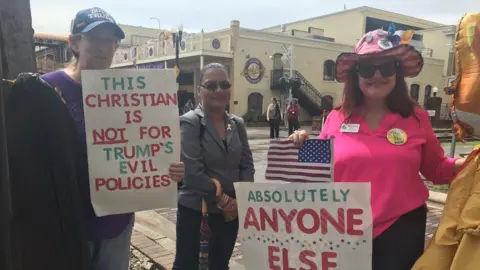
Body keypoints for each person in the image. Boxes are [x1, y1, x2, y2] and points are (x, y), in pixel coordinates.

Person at [289, 27, 466, 270]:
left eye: (386, 67)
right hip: (343, 226)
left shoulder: (416, 118)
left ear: (397, 73)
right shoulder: (336, 118)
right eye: (368, 68)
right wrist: (301, 143)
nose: (377, 75)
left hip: (401, 230)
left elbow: (436, 168)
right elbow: (320, 170)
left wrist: (469, 163)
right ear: (356, 75)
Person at [38, 7, 184, 270]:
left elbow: (147, 147)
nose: (103, 47)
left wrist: (169, 169)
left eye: (111, 40)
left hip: (116, 226)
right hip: (65, 226)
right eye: (94, 38)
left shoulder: (133, 92)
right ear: (74, 43)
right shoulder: (48, 88)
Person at [173, 63, 255, 270]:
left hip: (229, 214)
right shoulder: (189, 123)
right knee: (187, 264)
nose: (219, 90)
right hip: (196, 212)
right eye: (211, 85)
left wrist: (240, 199)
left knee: (220, 264)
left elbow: (247, 165)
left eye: (224, 84)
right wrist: (222, 199)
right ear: (199, 90)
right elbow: (192, 171)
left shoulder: (237, 124)